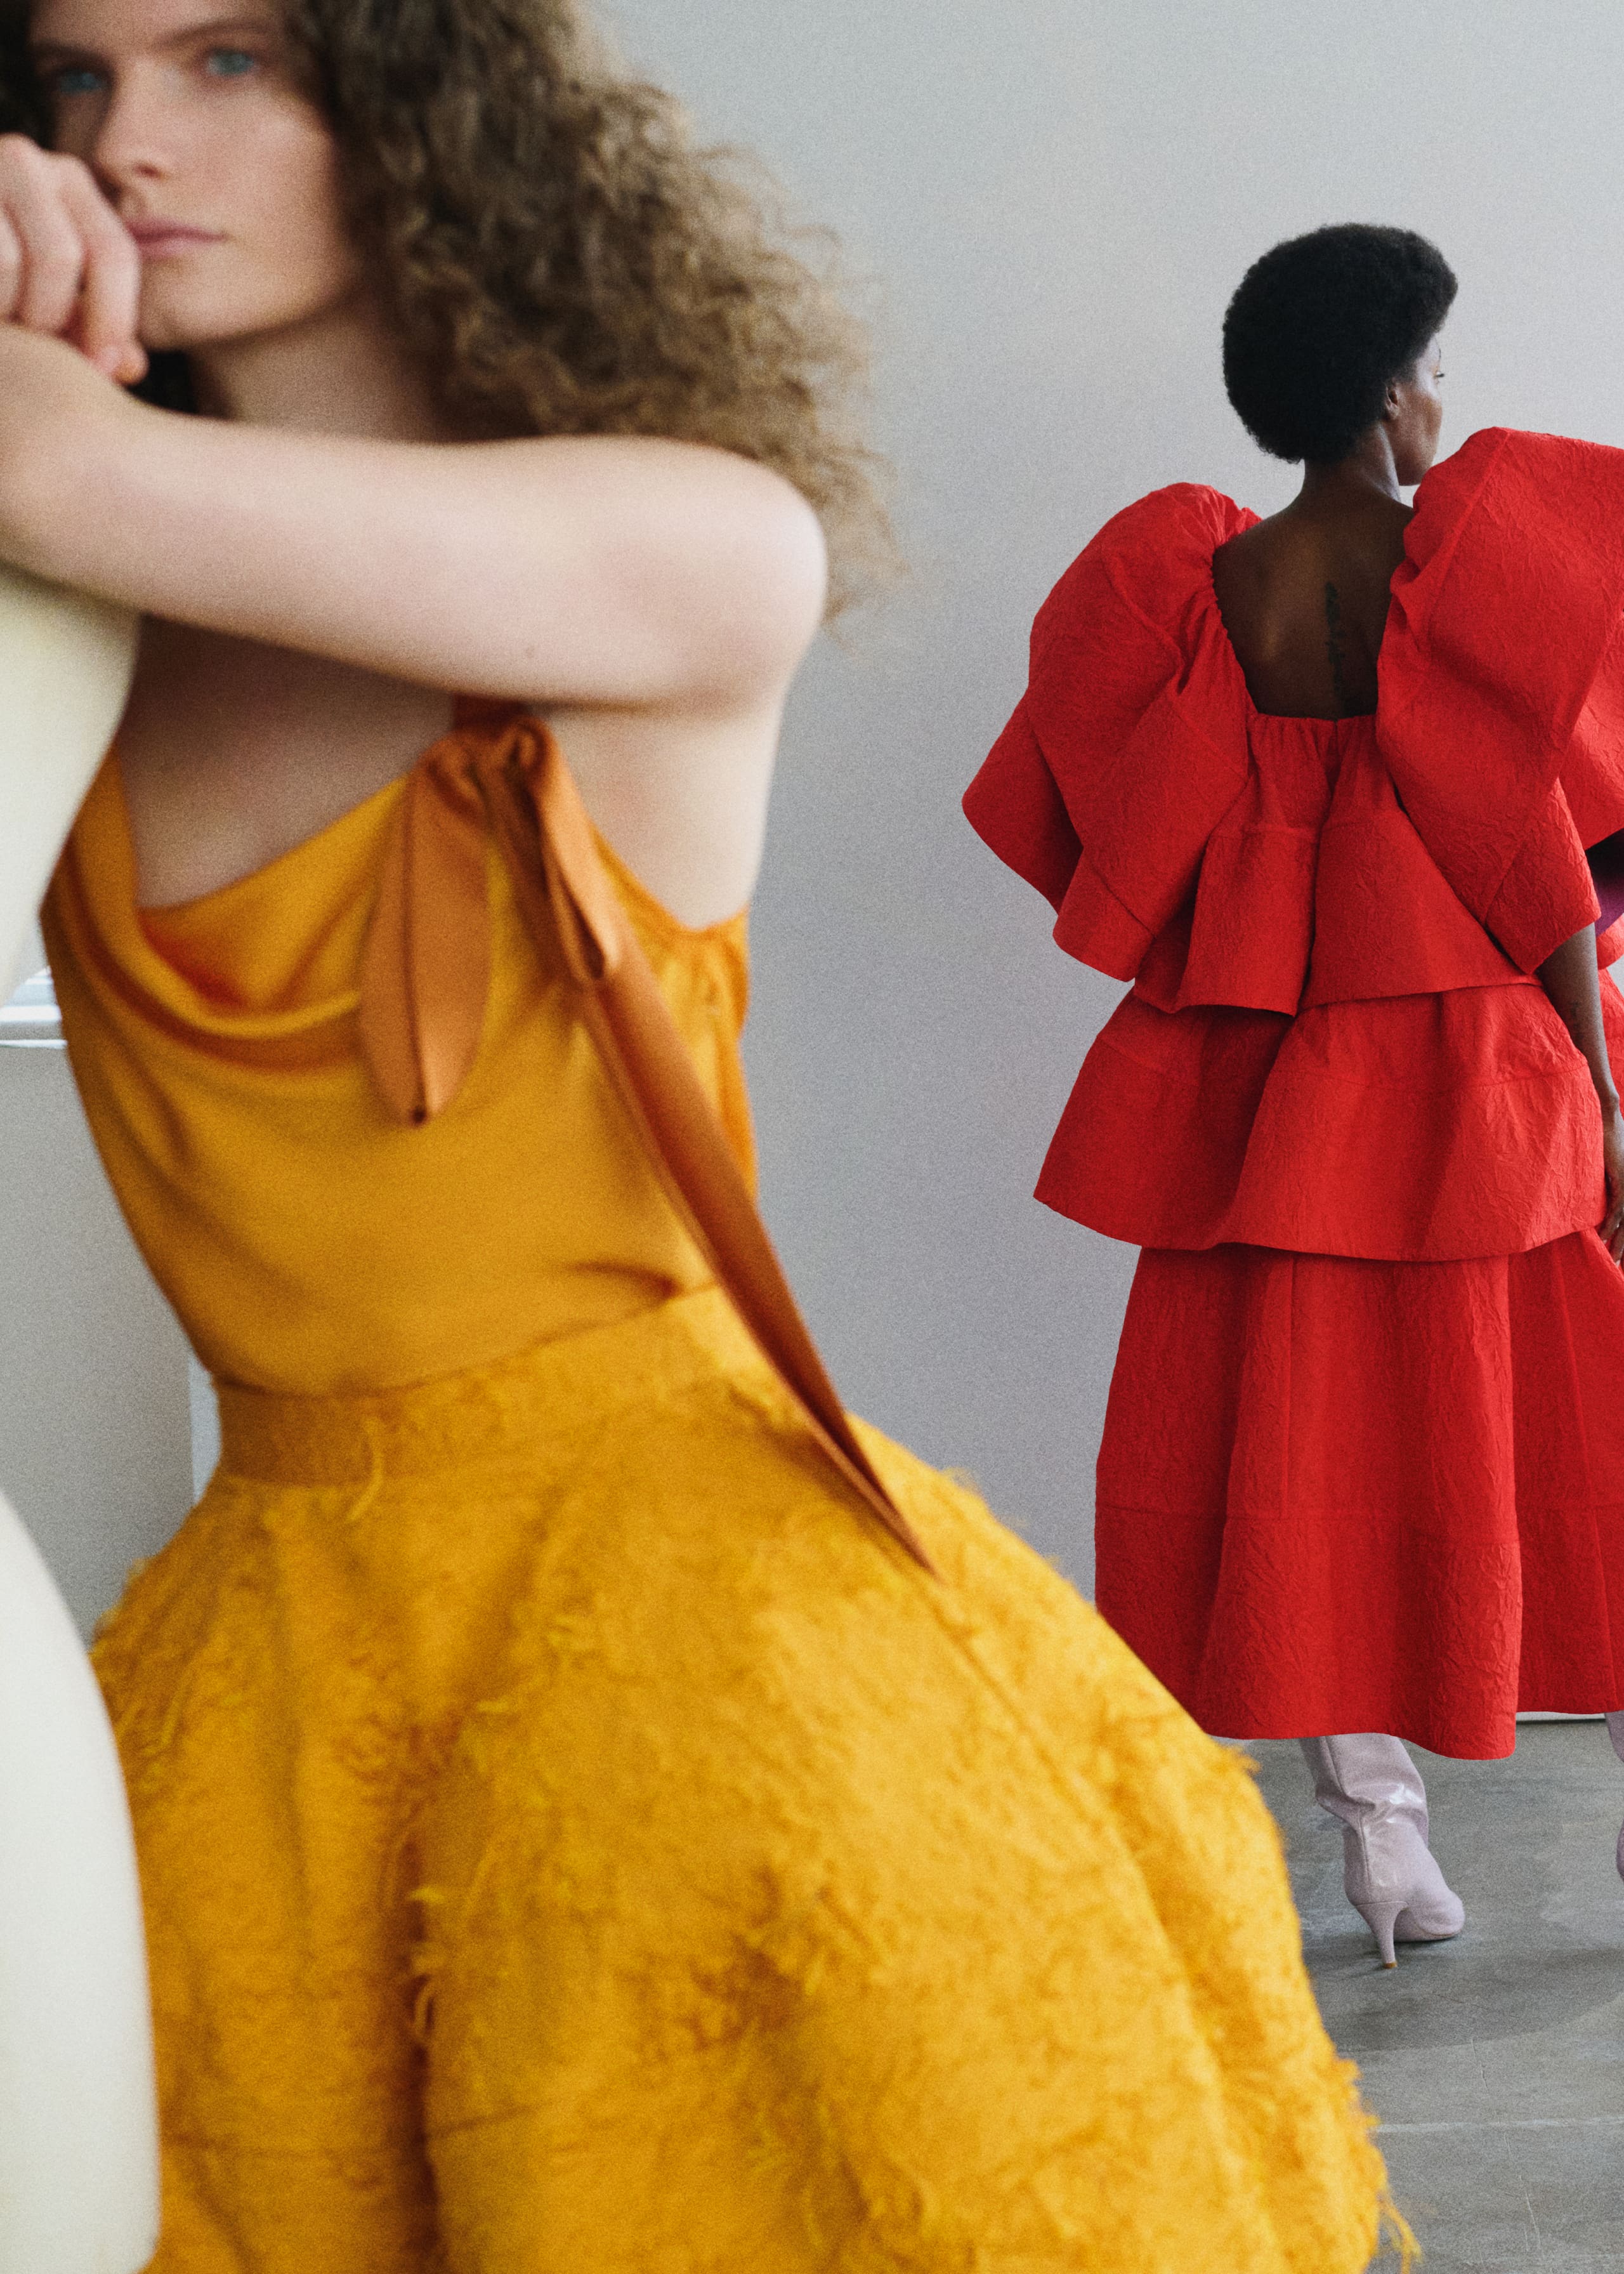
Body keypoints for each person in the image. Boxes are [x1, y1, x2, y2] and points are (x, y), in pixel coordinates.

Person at [0, 4, 1395, 2267]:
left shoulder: (693, 537)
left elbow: (65, 478)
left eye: (227, 60)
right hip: (273, 1649)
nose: (129, 142)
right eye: (72, 81)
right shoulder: (71, 617)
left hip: (685, 1614)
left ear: (424, 97)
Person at [966, 221, 1624, 1971]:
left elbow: (1128, 833)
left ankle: (1382, 1846)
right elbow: (1535, 855)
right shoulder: (1462, 577)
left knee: (1298, 1436)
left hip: (1270, 1085)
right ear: (1386, 393)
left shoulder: (1208, 594)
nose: (1441, 402)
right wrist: (1601, 1081)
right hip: (1474, 1067)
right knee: (1582, 1419)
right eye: (1429, 370)